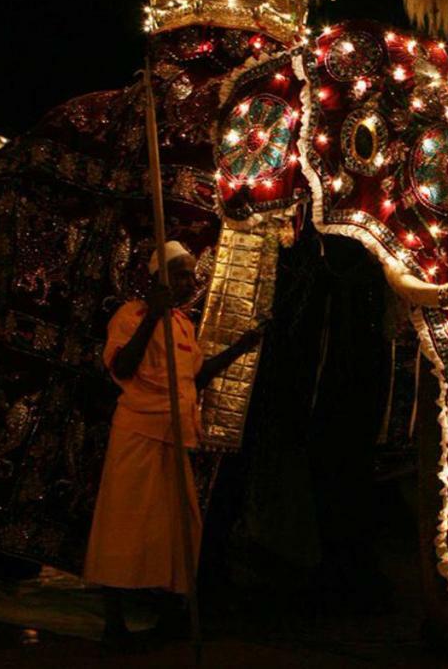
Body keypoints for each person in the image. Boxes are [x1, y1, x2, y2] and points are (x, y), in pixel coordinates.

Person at [83, 240, 265, 647]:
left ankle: (170, 616)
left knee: (177, 527)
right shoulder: (131, 316)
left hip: (177, 435)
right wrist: (153, 318)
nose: (189, 281)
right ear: (157, 279)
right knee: (123, 524)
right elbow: (123, 367)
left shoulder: (183, 325)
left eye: (189, 275)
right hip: (138, 433)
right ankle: (115, 626)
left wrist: (240, 348)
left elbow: (194, 378)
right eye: (180, 274)